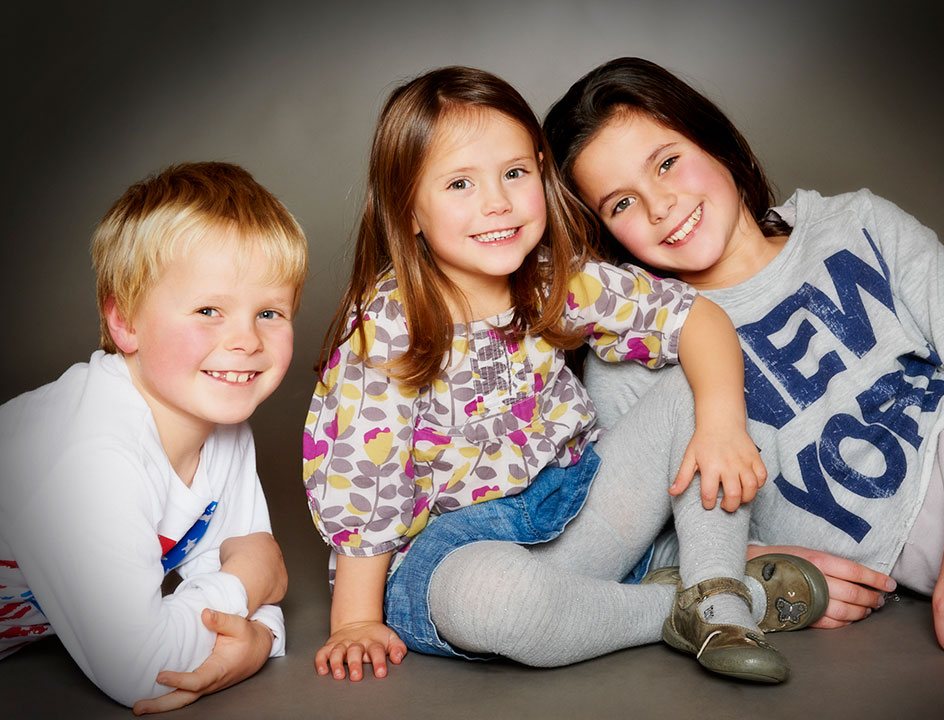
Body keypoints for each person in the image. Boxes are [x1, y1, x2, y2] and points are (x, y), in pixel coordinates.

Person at [304, 65, 829, 686]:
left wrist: (721, 422)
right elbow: (365, 487)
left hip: (583, 516)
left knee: (695, 385)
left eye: (515, 173)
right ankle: (678, 607)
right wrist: (355, 620)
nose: (496, 202)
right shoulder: (389, 329)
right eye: (460, 184)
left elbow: (696, 318)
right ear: (408, 211)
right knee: (490, 601)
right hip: (461, 556)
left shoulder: (556, 281)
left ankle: (717, 593)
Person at [543, 56, 944, 655]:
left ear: (714, 140)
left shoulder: (856, 221)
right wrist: (755, 560)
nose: (661, 205)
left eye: (668, 162)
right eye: (620, 203)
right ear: (604, 234)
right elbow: (630, 537)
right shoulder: (631, 357)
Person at [0, 161, 308, 713]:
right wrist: (249, 587)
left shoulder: (224, 424)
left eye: (269, 312)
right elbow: (143, 667)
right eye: (208, 310)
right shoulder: (92, 452)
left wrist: (259, 637)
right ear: (125, 322)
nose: (245, 340)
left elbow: (245, 572)